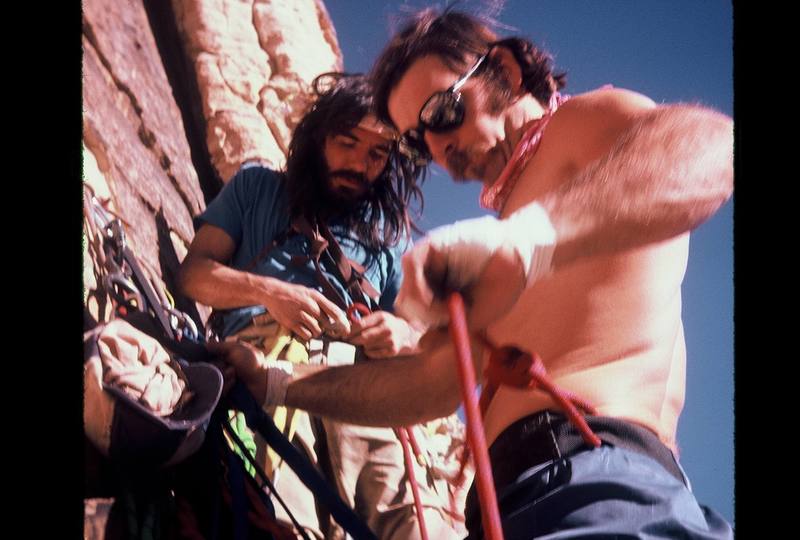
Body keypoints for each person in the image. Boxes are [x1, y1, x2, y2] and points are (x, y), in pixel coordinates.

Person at [214, 8, 734, 539]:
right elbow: (430, 386)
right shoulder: (503, 255)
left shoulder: (583, 128)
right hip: (513, 504)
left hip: (594, 483)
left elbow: (710, 148)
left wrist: (526, 240)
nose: (438, 149)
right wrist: (280, 381)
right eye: (417, 141)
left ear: (504, 70)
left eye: (441, 112)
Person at [178, 73, 463, 539]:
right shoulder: (258, 190)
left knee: (412, 521)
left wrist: (399, 333)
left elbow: (417, 340)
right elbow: (193, 274)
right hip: (265, 361)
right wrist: (270, 292)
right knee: (289, 516)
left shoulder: (387, 242)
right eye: (347, 143)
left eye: (377, 154)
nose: (359, 163)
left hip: (358, 382)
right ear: (318, 138)